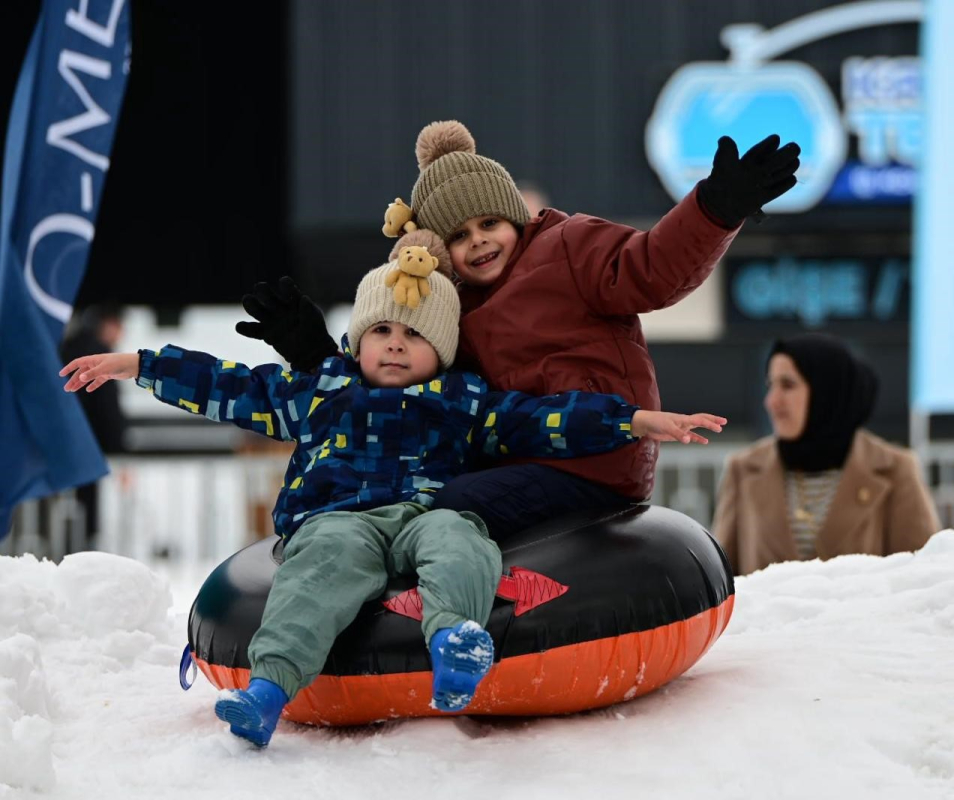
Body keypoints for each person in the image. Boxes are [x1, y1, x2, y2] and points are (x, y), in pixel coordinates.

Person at [61, 259, 724, 747]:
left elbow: (541, 418)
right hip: (336, 521)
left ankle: (456, 642)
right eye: (381, 331)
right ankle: (268, 689)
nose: (396, 344)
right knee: (318, 571)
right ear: (357, 341)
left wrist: (633, 422)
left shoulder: (460, 401)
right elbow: (228, 385)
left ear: (441, 349)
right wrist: (137, 364)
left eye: (415, 335)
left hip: (423, 512)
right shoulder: (319, 390)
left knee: (460, 540)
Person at [235, 120, 800, 540]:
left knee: (453, 505)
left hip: (592, 452)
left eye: (490, 223)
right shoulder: (444, 302)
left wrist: (713, 210)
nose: (479, 241)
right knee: (404, 487)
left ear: (516, 218)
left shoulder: (571, 245)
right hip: (510, 455)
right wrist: (313, 352)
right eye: (459, 235)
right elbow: (391, 367)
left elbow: (651, 268)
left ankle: (485, 601)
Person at [712, 335, 940, 575]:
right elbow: (720, 581)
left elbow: (922, 578)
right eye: (771, 385)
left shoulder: (895, 469)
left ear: (827, 391)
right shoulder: (743, 469)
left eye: (788, 385)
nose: (771, 401)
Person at [60, 305, 129, 549]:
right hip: (88, 444)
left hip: (59, 443)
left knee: (58, 507)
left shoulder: (65, 347)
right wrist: (120, 449)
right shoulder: (100, 356)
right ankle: (80, 552)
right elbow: (107, 407)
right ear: (107, 324)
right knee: (85, 508)